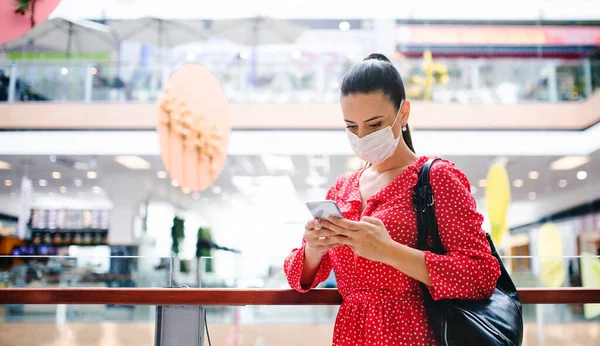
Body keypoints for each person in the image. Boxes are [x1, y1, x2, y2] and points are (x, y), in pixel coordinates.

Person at [284, 53, 501, 346]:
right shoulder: (342, 189)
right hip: (352, 335)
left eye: (374, 125)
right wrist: (314, 247)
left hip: (415, 334)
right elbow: (299, 278)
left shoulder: (437, 178)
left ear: (404, 113)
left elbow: (481, 275)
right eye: (351, 126)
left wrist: (389, 251)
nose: (362, 137)